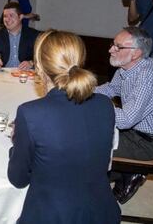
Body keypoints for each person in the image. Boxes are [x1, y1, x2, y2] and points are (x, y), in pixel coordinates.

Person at [8, 30, 120, 224]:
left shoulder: (31, 113)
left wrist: (16, 146)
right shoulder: (105, 105)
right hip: (103, 213)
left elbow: (18, 179)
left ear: (39, 68)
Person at [95, 27, 153, 204]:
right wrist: (83, 91)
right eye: (113, 44)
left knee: (91, 143)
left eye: (118, 47)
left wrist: (94, 106)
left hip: (148, 144)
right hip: (134, 133)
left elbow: (125, 120)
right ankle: (124, 173)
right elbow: (110, 89)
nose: (110, 49)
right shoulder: (126, 68)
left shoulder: (146, 76)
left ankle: (125, 174)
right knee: (91, 133)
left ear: (136, 53)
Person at [0, 2, 39, 70]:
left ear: (20, 17)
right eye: (5, 16)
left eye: (11, 15)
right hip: (5, 75)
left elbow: (45, 56)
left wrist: (31, 63)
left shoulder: (33, 34)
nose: (7, 19)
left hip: (25, 75)